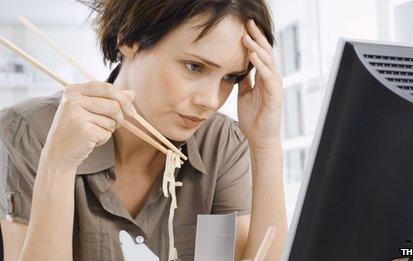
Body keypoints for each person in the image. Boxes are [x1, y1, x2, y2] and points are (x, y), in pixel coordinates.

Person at [0, 0, 287, 260]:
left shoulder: (221, 142)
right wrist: (59, 165)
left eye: (230, 78)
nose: (211, 101)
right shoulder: (27, 131)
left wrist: (265, 143)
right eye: (194, 67)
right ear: (129, 39)